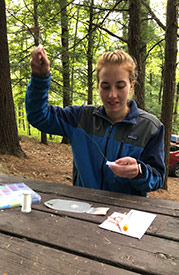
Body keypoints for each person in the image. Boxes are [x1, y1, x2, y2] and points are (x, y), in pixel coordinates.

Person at [25, 45, 166, 196]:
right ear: (98, 86)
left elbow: (158, 177)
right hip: (83, 209)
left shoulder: (150, 127)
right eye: (105, 87)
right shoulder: (80, 118)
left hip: (124, 216)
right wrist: (40, 79)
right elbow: (38, 116)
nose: (112, 94)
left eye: (120, 86)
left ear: (131, 86)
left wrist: (139, 171)